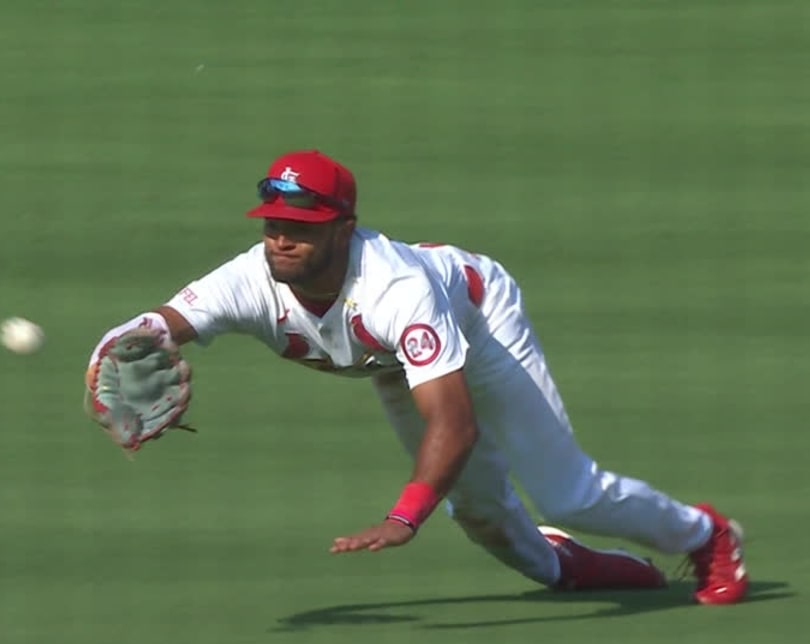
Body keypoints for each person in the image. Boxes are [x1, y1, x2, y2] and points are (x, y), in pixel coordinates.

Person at [84, 150, 749, 605]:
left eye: (303, 227)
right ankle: (568, 565)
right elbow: (157, 325)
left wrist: (403, 517)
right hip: (393, 362)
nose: (282, 240)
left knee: (566, 493)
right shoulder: (249, 280)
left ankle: (705, 535)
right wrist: (110, 356)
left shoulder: (395, 290)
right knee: (484, 519)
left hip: (481, 322)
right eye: (275, 226)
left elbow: (455, 423)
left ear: (344, 228)